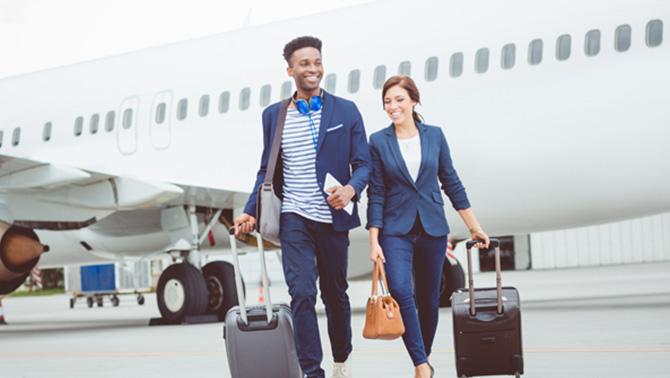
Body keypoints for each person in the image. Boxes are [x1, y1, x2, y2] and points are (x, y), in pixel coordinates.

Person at [234, 36, 370, 378]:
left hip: (333, 217)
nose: (313, 69)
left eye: (317, 62)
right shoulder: (274, 116)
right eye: (305, 63)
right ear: (290, 70)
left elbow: (364, 163)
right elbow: (267, 169)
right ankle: (313, 371)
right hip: (294, 217)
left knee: (335, 294)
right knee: (302, 293)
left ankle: (341, 360)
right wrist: (251, 209)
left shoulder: (346, 110)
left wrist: (351, 190)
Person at [366, 75, 490, 378]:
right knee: (399, 289)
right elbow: (377, 193)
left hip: (433, 227)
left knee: (429, 298)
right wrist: (374, 240)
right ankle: (421, 366)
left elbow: (451, 182)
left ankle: (425, 360)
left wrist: (474, 227)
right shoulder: (379, 141)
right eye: (387, 102)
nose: (393, 107)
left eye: (398, 100)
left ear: (413, 101)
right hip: (396, 229)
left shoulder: (434, 135)